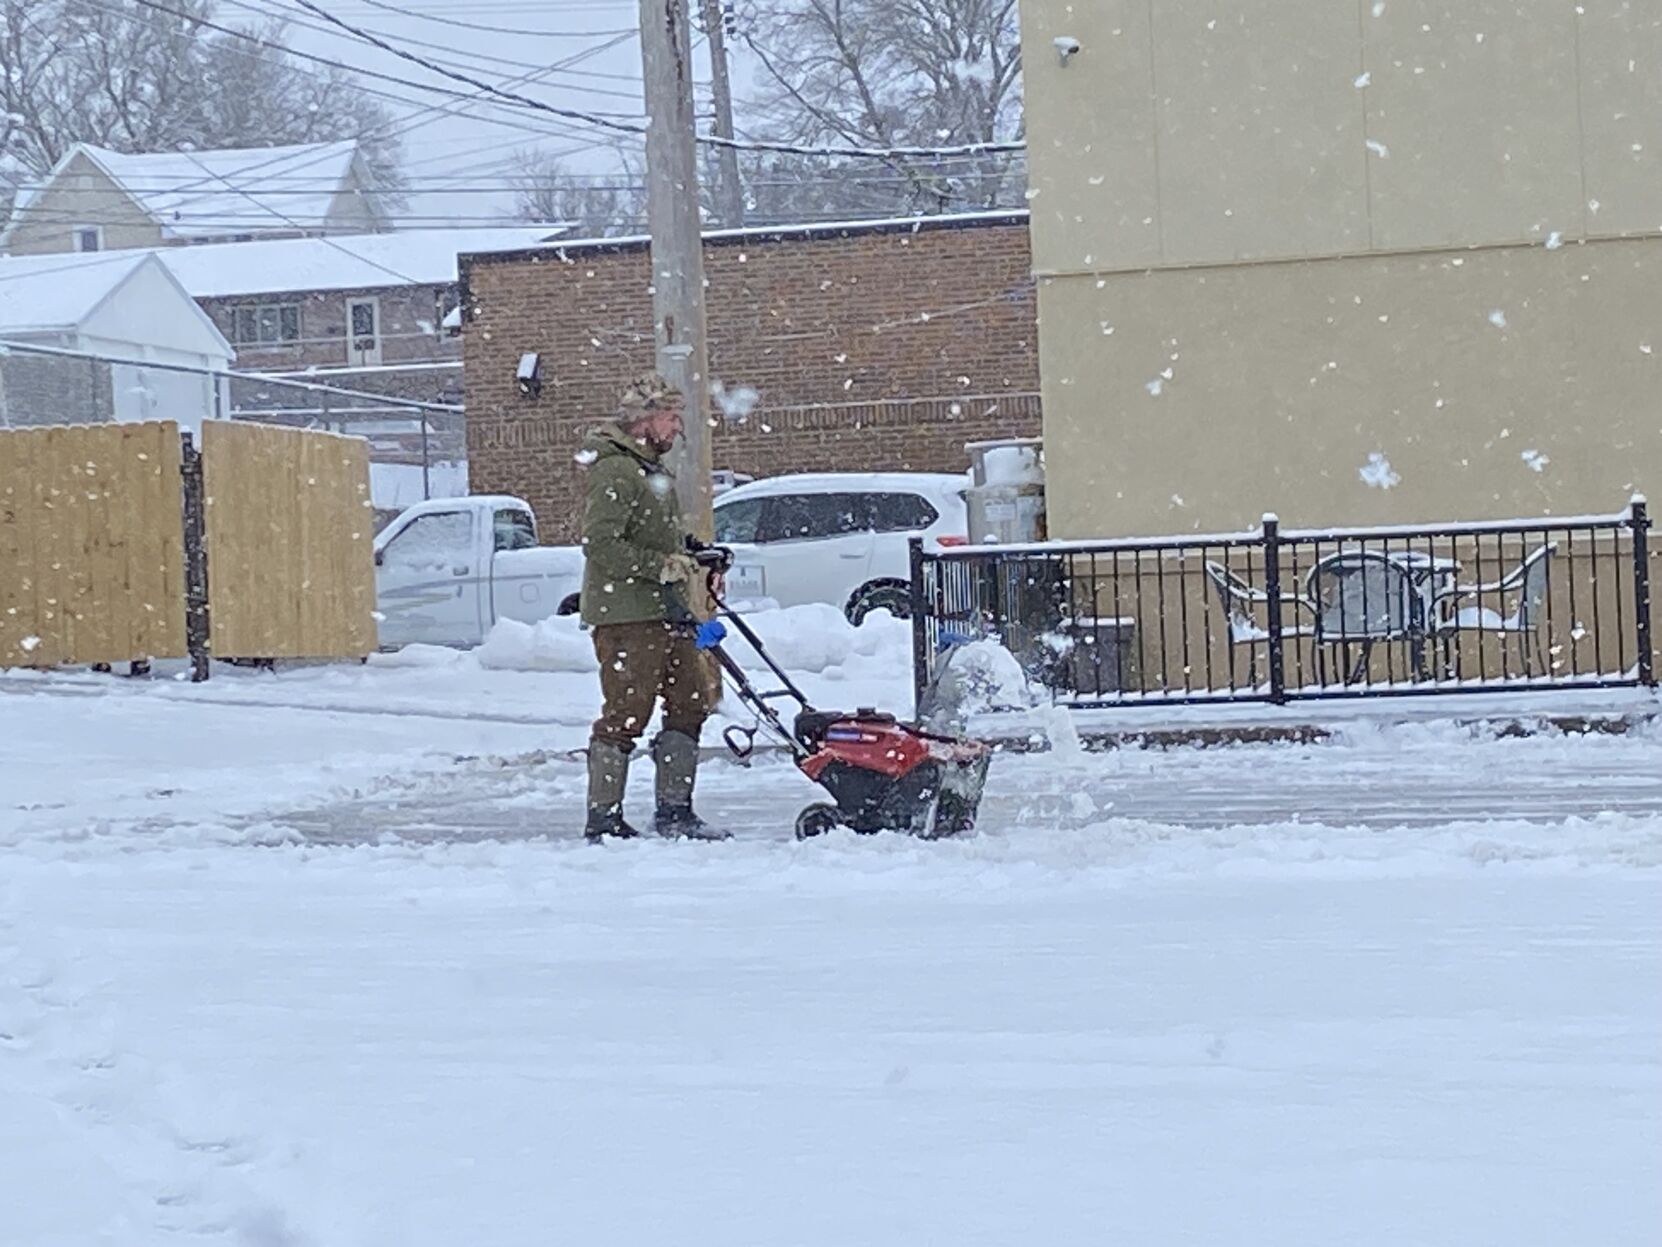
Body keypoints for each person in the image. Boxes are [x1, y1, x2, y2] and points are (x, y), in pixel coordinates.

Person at [578, 373, 733, 843]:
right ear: (645, 419)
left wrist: (693, 551)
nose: (677, 428)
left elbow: (652, 532)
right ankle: (604, 819)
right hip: (626, 615)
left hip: (670, 611)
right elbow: (601, 543)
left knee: (691, 701)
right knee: (626, 713)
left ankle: (675, 810)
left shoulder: (650, 468)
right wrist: (660, 566)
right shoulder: (616, 469)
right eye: (671, 417)